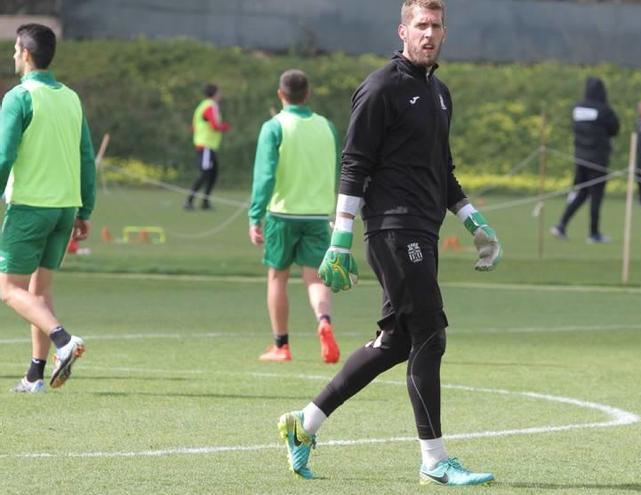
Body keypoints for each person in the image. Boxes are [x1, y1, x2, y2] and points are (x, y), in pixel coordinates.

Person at [275, 0, 500, 486]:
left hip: (423, 231)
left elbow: (444, 173)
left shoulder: (439, 94)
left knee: (396, 342)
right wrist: (339, 240)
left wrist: (474, 222)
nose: (429, 33)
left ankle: (304, 425)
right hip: (392, 230)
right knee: (431, 334)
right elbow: (354, 165)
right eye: (421, 24)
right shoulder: (380, 88)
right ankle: (434, 460)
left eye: (436, 25)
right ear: (402, 30)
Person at [0, 24, 96, 393]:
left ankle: (63, 340)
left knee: (10, 290)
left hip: (30, 207)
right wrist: (85, 208)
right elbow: (86, 157)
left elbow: (5, 154)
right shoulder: (71, 97)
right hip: (65, 209)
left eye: (14, 49)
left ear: (25, 54)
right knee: (39, 293)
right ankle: (35, 375)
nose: (12, 55)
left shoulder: (18, 97)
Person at [248, 69, 341, 364]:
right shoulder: (327, 127)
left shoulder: (274, 127)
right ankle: (323, 320)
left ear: (280, 94)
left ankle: (281, 345)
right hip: (317, 213)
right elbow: (338, 168)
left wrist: (255, 216)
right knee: (315, 278)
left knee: (278, 277)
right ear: (308, 93)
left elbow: (264, 176)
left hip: (282, 213)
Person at [551, 76, 619, 243]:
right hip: (597, 159)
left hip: (580, 157)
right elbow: (615, 128)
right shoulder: (603, 110)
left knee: (581, 193)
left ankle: (561, 225)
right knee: (596, 196)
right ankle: (593, 233)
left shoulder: (577, 108)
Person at [184, 83, 230, 210]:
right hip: (205, 146)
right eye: (219, 92)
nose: (220, 95)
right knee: (205, 174)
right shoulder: (210, 106)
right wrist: (224, 127)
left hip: (209, 146)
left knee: (213, 174)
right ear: (215, 94)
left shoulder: (203, 105)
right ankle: (188, 201)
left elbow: (194, 126)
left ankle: (205, 202)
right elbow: (214, 125)